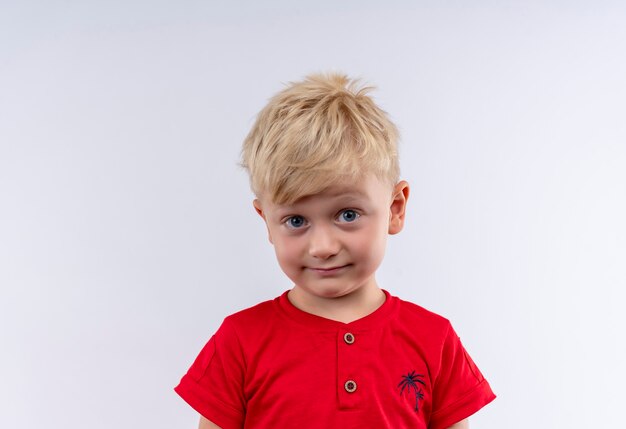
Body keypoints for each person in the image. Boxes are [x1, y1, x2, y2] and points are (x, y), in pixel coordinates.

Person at [174, 73, 496, 429]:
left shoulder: (435, 339)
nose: (323, 247)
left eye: (347, 215)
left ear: (394, 208)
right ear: (266, 220)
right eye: (296, 221)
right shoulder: (238, 341)